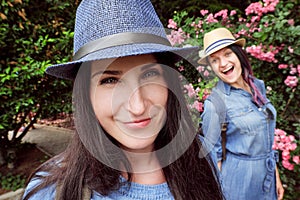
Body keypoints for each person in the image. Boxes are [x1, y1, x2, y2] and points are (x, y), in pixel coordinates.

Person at [22, 0, 224, 199]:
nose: (137, 106)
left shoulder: (201, 157)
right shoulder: (51, 192)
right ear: (85, 94)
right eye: (110, 80)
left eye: (148, 75)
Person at [198, 27, 285, 200]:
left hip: (266, 175)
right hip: (239, 182)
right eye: (215, 60)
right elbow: (213, 159)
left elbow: (266, 138)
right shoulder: (215, 104)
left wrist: (276, 176)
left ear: (239, 55)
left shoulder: (257, 86)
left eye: (228, 54)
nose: (223, 64)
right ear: (212, 68)